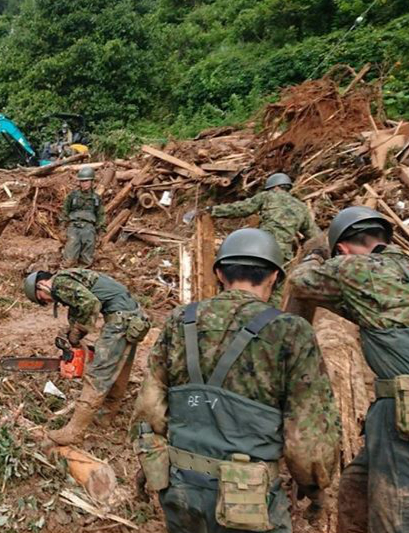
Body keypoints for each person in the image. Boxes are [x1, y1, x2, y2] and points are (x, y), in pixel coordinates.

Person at [133, 228, 340, 533]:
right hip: (249, 501)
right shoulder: (290, 331)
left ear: (219, 273)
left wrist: (149, 466)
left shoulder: (181, 319)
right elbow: (306, 439)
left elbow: (150, 407)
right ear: (273, 276)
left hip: (180, 488)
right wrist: (315, 489)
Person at [289, 206, 409, 533]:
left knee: (395, 515)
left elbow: (300, 282)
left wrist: (314, 255)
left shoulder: (355, 269)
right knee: (356, 487)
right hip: (392, 410)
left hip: (401, 408)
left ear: (340, 250)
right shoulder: (402, 268)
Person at [23, 268, 150, 444]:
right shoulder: (70, 278)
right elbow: (83, 304)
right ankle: (105, 416)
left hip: (121, 320)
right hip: (133, 317)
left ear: (41, 285)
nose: (46, 300)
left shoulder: (59, 283)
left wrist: (78, 330)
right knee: (120, 368)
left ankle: (74, 432)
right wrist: (73, 332)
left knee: (98, 374)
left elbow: (90, 303)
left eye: (41, 298)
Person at [210, 173, 319, 304]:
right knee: (277, 292)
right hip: (284, 254)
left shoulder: (268, 196)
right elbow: (314, 236)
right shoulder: (301, 207)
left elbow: (242, 208)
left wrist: (213, 210)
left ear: (274, 187)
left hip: (263, 249)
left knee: (249, 283)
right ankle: (271, 318)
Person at [61, 167, 105, 267]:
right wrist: (62, 228)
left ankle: (82, 277)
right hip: (74, 227)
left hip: (89, 228)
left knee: (86, 258)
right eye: (82, 181)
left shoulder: (96, 198)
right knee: (69, 257)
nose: (84, 184)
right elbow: (65, 211)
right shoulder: (73, 196)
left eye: (86, 181)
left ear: (92, 182)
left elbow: (100, 215)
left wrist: (100, 232)